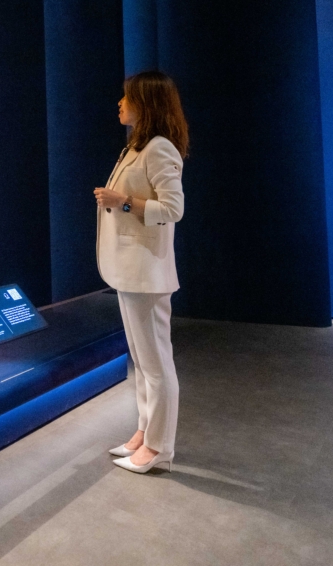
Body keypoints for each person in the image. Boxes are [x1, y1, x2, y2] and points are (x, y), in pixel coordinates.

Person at [94, 70, 187, 474]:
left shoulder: (160, 148)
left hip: (146, 272)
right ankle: (145, 432)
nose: (120, 103)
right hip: (130, 271)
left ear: (145, 103)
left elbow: (173, 209)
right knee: (142, 360)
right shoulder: (136, 147)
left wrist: (124, 202)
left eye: (127, 97)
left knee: (156, 363)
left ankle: (159, 447)